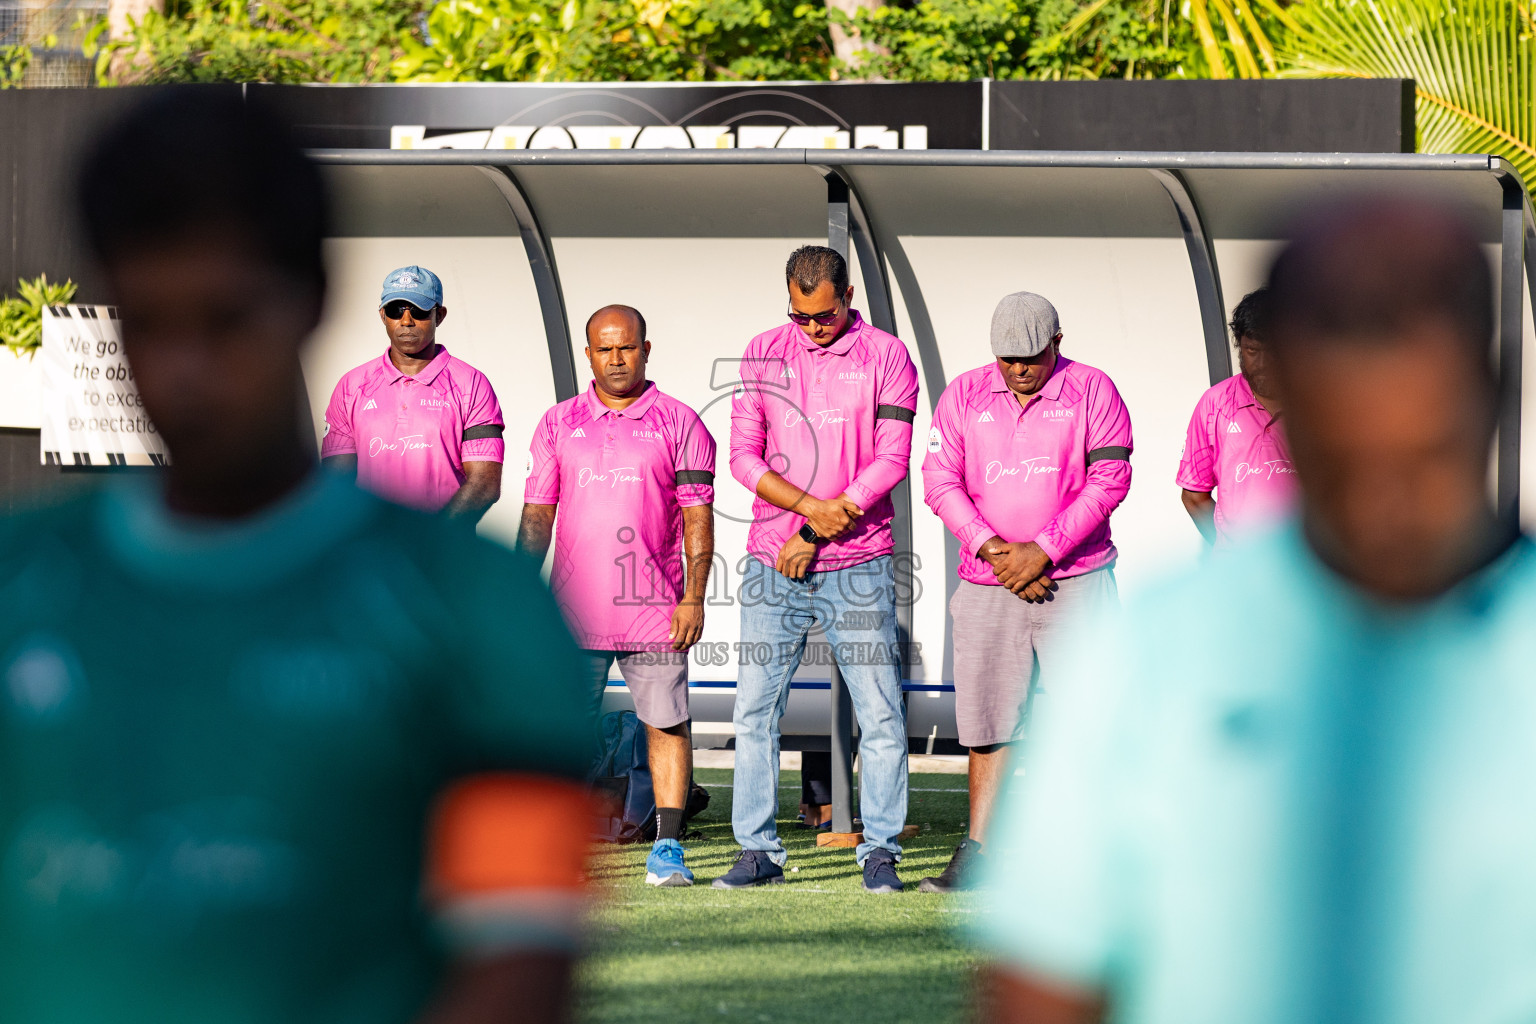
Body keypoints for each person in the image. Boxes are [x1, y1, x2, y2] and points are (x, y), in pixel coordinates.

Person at [0, 88, 595, 1024]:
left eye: (227, 320)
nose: (185, 370)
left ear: (314, 300)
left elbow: (519, 960)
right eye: (149, 323)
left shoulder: (478, 606)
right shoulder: (20, 580)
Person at [974, 200, 1535, 1024]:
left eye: (1427, 463)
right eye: (1348, 466)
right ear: (1286, 410)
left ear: (1489, 398)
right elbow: (1045, 984)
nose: (1389, 512)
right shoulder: (1156, 652)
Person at [716, 245, 919, 894]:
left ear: (849, 295)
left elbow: (893, 458)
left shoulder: (887, 355)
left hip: (858, 562)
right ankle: (757, 852)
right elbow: (743, 459)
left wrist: (821, 524)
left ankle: (880, 851)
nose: (812, 328)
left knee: (881, 713)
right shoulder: (761, 351)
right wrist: (808, 512)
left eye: (824, 316)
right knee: (754, 711)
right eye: (800, 317)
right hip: (773, 562)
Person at [919, 291, 1132, 894]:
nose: (1017, 369)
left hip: (1078, 578)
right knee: (988, 725)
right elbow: (939, 480)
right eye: (1007, 358)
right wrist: (995, 549)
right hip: (989, 583)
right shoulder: (963, 394)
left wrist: (1044, 549)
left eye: (1030, 357)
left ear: (1057, 343)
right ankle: (979, 850)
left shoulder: (1094, 390)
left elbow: (1111, 477)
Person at [518, 305, 716, 888]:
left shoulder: (681, 423)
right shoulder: (558, 424)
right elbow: (537, 518)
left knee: (666, 726)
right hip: (570, 616)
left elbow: (698, 521)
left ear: (646, 348)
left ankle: (669, 848)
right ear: (588, 355)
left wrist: (694, 597)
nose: (616, 359)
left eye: (626, 347)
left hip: (654, 613)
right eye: (604, 349)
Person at [321, 265, 504, 522]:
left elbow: (484, 485)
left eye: (418, 310)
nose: (406, 321)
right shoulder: (352, 386)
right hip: (373, 552)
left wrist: (431, 542)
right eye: (397, 310)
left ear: (439, 315)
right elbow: (336, 483)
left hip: (442, 553)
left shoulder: (472, 384)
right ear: (383, 316)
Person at [1177, 288, 1297, 544]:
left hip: (1309, 572)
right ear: (1239, 345)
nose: (1263, 363)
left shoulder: (1320, 404)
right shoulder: (1215, 404)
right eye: (1253, 351)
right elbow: (1194, 496)